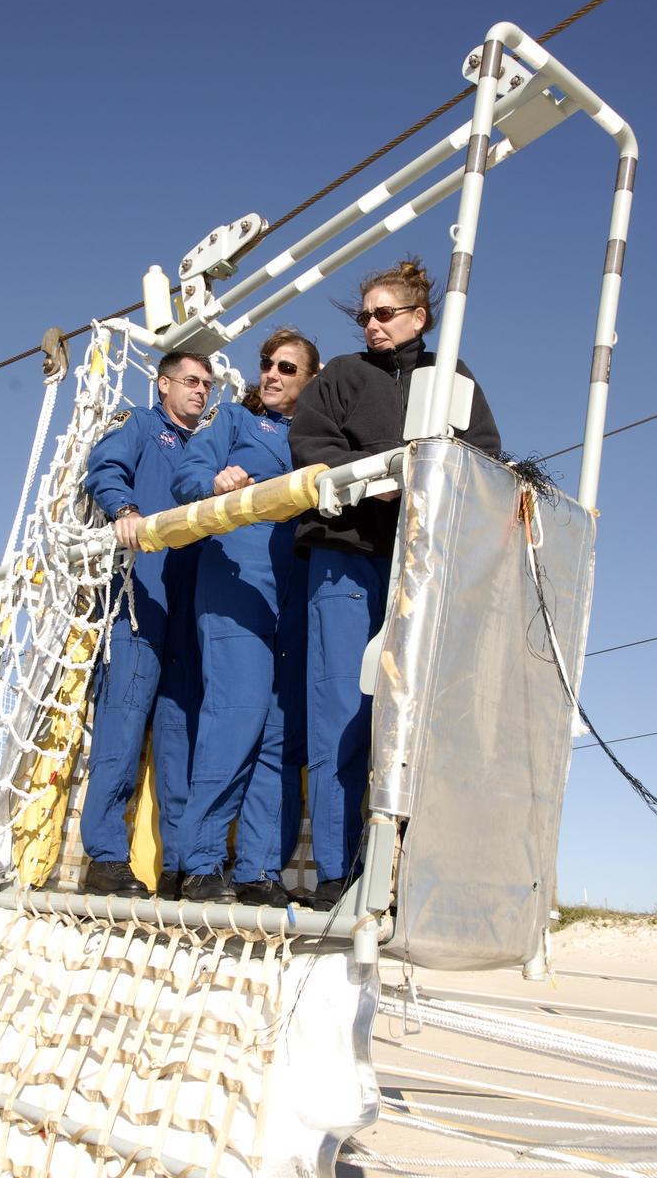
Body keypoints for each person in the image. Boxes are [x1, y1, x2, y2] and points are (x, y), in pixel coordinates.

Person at [289, 258, 500, 909]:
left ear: (419, 317)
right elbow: (310, 443)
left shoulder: (452, 378)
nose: (372, 325)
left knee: (410, 719)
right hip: (347, 554)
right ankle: (335, 871)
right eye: (365, 316)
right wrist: (381, 474)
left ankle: (398, 870)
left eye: (385, 314)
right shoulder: (344, 377)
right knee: (343, 716)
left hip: (420, 564)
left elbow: (484, 454)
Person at [171, 327, 320, 906]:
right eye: (267, 364)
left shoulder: (316, 439)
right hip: (237, 587)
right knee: (236, 716)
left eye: (287, 368)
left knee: (283, 737)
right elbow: (189, 472)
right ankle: (201, 862)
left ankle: (259, 869)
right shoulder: (234, 421)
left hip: (295, 596)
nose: (273, 375)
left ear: (310, 380)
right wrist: (215, 481)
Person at [80, 350, 215, 897]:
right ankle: (107, 858)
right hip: (140, 596)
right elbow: (104, 468)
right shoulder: (138, 424)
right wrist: (123, 510)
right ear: (163, 385)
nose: (200, 391)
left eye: (208, 384)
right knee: (123, 723)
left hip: (192, 604)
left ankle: (180, 863)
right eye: (190, 381)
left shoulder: (205, 448)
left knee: (182, 734)